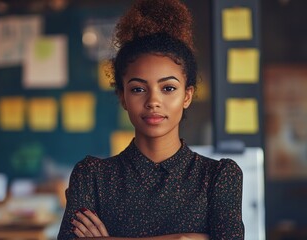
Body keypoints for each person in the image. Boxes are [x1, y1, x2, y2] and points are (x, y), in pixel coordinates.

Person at [58, 0, 244, 239]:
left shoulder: (219, 176)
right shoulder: (92, 176)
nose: (153, 101)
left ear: (188, 96)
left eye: (168, 88)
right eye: (138, 89)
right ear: (122, 97)